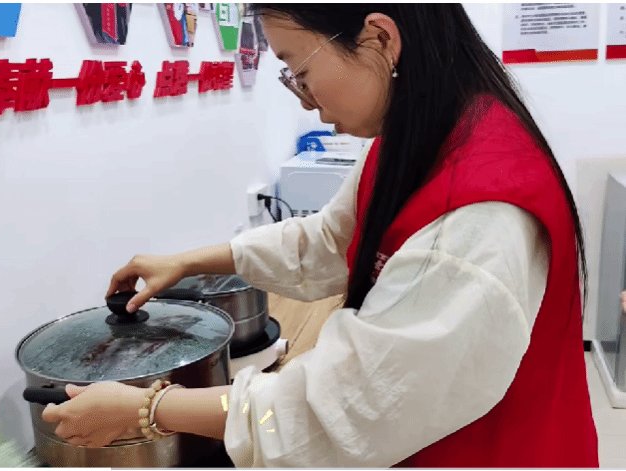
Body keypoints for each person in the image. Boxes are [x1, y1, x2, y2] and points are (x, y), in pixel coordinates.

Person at [41, 4, 599, 467]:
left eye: (299, 71)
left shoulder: (479, 212)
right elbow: (332, 240)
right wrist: (190, 262)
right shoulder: (424, 133)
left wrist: (148, 410)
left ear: (380, 38)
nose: (304, 99)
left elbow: (346, 408)